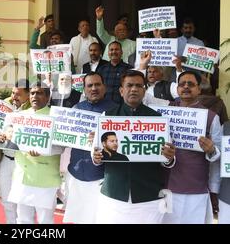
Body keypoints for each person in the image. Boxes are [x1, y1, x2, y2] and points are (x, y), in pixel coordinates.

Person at [92, 70, 176, 224]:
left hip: (147, 197)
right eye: (129, 85)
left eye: (138, 85)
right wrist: (96, 157)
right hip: (114, 194)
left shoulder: (158, 120)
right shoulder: (107, 117)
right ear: (121, 90)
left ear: (144, 90)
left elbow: (167, 159)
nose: (134, 89)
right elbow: (96, 152)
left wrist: (169, 157)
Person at [162, 71, 222, 224]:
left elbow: (217, 157)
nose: (186, 87)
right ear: (177, 89)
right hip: (167, 186)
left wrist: (211, 150)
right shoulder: (165, 114)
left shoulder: (212, 117)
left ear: (199, 89)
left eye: (191, 84)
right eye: (182, 84)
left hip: (197, 189)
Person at [63, 72, 117, 224]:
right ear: (84, 89)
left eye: (97, 84)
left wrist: (102, 140)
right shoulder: (75, 109)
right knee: (77, 218)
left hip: (100, 178)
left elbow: (120, 145)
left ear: (104, 87)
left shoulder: (115, 112)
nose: (94, 88)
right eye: (90, 85)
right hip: (75, 173)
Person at [7, 82, 63, 224]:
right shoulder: (19, 116)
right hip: (22, 176)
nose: (34, 96)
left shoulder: (56, 117)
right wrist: (3, 137)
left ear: (48, 96)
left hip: (45, 179)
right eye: (32, 93)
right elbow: (11, 140)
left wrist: (43, 151)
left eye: (39, 93)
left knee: (45, 220)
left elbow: (61, 146)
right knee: (23, 219)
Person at [0, 79, 30, 224]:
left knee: (23, 204)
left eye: (18, 94)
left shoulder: (32, 112)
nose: (14, 97)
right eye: (12, 93)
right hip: (6, 159)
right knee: (6, 199)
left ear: (28, 95)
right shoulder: (4, 106)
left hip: (24, 162)